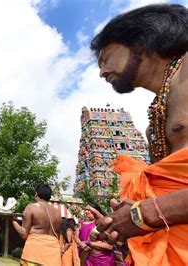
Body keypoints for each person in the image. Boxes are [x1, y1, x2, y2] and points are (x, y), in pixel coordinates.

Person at [89, 4, 188, 265]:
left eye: (105, 58)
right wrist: (121, 224)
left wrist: (143, 214)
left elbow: (155, 211)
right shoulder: (154, 121)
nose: (101, 72)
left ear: (140, 41)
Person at [11, 184, 62, 265]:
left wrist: (13, 221)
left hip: (34, 253)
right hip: (53, 254)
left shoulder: (31, 207)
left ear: (36, 194)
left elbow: (24, 234)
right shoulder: (57, 212)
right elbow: (58, 235)